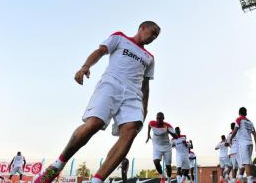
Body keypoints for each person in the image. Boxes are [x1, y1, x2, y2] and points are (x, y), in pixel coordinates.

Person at [35, 21, 161, 183]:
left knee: (131, 131)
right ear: (142, 28)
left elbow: (146, 86)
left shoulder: (150, 58)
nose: (153, 37)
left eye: (156, 36)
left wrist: (144, 108)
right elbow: (100, 51)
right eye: (153, 32)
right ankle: (57, 165)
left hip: (133, 94)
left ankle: (97, 181)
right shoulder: (120, 38)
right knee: (93, 124)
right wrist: (85, 66)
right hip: (111, 84)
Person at [229, 107, 256, 183]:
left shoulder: (239, 119)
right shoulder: (250, 122)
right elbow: (255, 135)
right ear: (246, 113)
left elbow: (235, 130)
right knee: (247, 163)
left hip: (243, 144)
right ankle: (240, 179)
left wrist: (230, 139)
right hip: (250, 143)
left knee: (245, 163)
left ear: (239, 113)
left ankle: (249, 180)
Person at [146, 112, 177, 183]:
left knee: (168, 166)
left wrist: (169, 131)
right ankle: (162, 177)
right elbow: (149, 125)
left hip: (167, 147)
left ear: (163, 119)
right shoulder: (152, 123)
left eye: (160, 118)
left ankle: (169, 180)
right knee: (156, 162)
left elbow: (176, 136)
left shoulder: (168, 126)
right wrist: (148, 135)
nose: (158, 120)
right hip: (157, 146)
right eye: (157, 118)